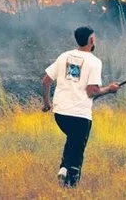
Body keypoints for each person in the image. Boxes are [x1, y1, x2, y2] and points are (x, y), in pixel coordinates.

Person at [41, 26, 120, 188]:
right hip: (80, 116)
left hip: (60, 114)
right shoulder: (94, 62)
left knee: (72, 140)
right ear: (91, 40)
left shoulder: (64, 56)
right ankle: (71, 186)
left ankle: (63, 168)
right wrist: (109, 89)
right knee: (77, 150)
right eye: (94, 37)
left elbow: (46, 81)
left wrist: (47, 103)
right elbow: (92, 91)